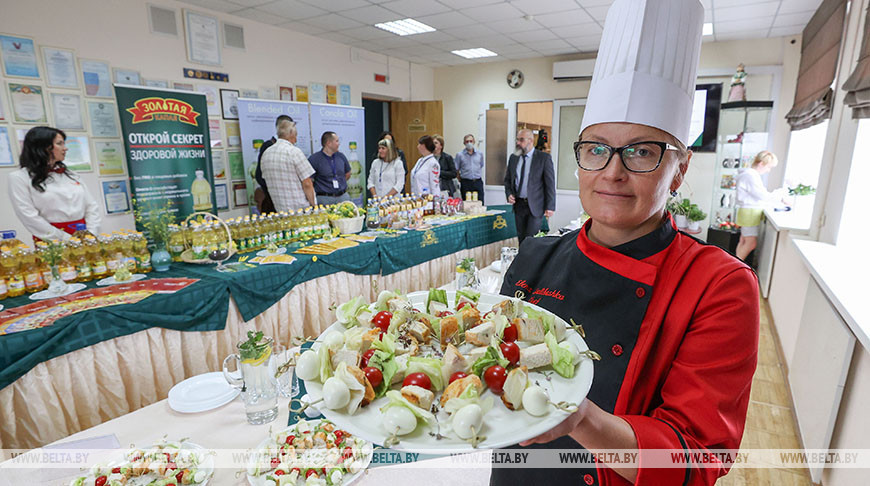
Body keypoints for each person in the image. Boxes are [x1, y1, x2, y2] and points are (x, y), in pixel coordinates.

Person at [493, 1, 758, 485]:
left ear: (679, 169)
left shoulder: (719, 286)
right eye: (596, 149)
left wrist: (582, 420)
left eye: (641, 151)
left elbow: (695, 459)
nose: (612, 172)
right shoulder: (535, 255)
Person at [7, 126, 101, 241]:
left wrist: (91, 234)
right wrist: (66, 239)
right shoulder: (19, 178)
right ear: (44, 147)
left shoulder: (72, 175)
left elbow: (91, 207)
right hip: (51, 240)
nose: (65, 148)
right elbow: (28, 216)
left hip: (84, 237)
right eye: (60, 143)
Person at [503, 128, 555, 243]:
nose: (518, 143)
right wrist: (509, 193)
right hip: (519, 205)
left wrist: (550, 206)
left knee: (531, 239)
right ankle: (523, 261)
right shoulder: (514, 158)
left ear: (531, 141)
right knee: (521, 238)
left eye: (521, 140)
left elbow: (550, 184)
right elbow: (507, 180)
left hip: (535, 205)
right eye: (517, 140)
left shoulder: (543, 158)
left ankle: (532, 260)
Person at [735, 150, 786, 261]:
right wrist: (780, 196)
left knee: (744, 241)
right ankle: (734, 267)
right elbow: (762, 195)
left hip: (747, 212)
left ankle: (734, 265)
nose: (768, 170)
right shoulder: (751, 176)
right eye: (768, 167)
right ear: (761, 163)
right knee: (750, 243)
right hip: (750, 212)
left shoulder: (748, 174)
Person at [260, 119, 315, 211]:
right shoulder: (294, 152)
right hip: (300, 209)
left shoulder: (266, 153)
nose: (296, 139)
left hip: (279, 208)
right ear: (291, 134)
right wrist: (314, 205)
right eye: (296, 135)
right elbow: (307, 183)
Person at [254, 114, 293, 214]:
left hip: (286, 195)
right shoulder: (269, 145)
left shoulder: (290, 146)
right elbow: (260, 174)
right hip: (273, 195)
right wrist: (271, 189)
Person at [308, 131, 351, 205]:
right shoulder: (314, 159)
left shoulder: (341, 156)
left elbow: (348, 173)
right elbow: (309, 180)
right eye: (337, 141)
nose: (339, 144)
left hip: (343, 197)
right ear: (328, 143)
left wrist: (340, 182)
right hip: (324, 199)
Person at [455, 134, 485, 202]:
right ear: (464, 143)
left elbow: (481, 165)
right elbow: (456, 169)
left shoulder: (480, 154)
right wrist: (460, 178)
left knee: (480, 202)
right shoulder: (459, 155)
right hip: (466, 182)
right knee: (467, 204)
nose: (469, 143)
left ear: (474, 142)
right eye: (467, 141)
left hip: (477, 181)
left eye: (471, 141)